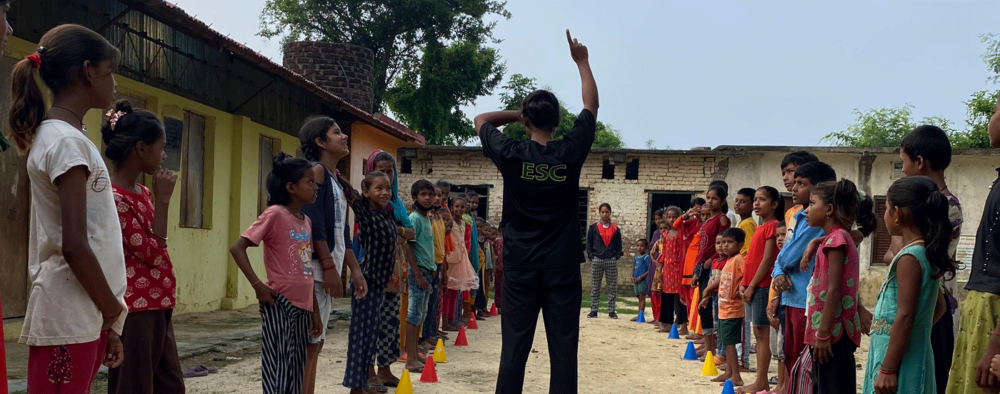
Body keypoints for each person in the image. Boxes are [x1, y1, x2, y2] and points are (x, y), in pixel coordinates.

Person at [475, 29, 598, 394]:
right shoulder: (569, 151)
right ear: (557, 121)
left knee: (514, 347)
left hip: (520, 264)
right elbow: (590, 106)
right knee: (564, 348)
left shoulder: (511, 153)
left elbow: (481, 119)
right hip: (561, 264)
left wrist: (520, 113)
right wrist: (583, 62)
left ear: (526, 122)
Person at [10, 24, 128, 393]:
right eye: (110, 73)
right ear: (89, 71)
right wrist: (112, 310)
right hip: (71, 311)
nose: (114, 83)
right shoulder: (65, 143)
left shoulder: (67, 139)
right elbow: (75, 244)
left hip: (83, 310)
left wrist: (108, 320)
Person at [103, 100, 184, 394]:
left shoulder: (143, 192)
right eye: (160, 148)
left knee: (170, 385)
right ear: (140, 149)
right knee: (134, 385)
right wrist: (163, 203)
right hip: (135, 307)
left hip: (160, 301)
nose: (163, 156)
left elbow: (156, 245)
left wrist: (156, 200)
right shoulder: (114, 199)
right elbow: (151, 252)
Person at [873, 126, 960, 394]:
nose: (902, 170)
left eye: (903, 162)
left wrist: (889, 365)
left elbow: (906, 310)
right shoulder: (924, 246)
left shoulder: (913, 253)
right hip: (915, 329)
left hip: (907, 337)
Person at [230, 153, 323, 394]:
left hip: (303, 307)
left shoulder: (306, 221)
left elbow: (307, 269)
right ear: (291, 187)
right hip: (280, 303)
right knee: (278, 369)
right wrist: (257, 285)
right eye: (310, 182)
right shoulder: (274, 214)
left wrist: (315, 311)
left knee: (296, 369)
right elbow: (238, 247)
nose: (316, 187)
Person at [297, 116, 367, 394]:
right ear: (320, 141)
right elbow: (315, 226)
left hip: (326, 271)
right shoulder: (317, 173)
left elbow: (343, 233)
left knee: (317, 343)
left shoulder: (335, 180)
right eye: (337, 132)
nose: (344, 137)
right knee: (310, 344)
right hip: (314, 273)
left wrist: (355, 270)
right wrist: (328, 268)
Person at [800, 179, 875, 394]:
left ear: (829, 210)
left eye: (812, 203)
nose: (807, 209)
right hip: (835, 332)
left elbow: (834, 289)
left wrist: (823, 334)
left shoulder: (836, 241)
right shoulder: (837, 238)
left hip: (832, 333)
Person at [336, 171, 399, 394]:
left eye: (388, 188)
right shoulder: (365, 212)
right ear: (366, 191)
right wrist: (336, 174)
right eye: (378, 188)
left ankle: (363, 382)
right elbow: (350, 194)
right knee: (359, 337)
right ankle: (356, 387)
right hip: (367, 283)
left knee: (370, 338)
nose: (385, 192)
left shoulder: (387, 214)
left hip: (379, 285)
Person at [772, 161, 835, 373]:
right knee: (790, 355)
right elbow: (782, 256)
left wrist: (780, 266)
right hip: (791, 295)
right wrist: (778, 271)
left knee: (800, 360)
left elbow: (788, 256)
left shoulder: (814, 221)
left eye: (802, 183)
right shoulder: (799, 215)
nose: (794, 187)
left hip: (804, 300)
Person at [363, 150, 416, 388]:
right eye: (380, 171)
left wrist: (399, 231)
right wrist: (399, 231)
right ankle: (368, 371)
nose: (386, 177)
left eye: (389, 171)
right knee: (370, 322)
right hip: (372, 270)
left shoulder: (396, 203)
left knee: (390, 322)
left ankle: (385, 369)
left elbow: (410, 232)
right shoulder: (365, 204)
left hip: (396, 269)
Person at [736, 186, 784, 394]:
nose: (756, 203)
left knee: (762, 333)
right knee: (757, 332)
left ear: (774, 204)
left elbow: (766, 261)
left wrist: (753, 285)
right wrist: (744, 282)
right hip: (753, 285)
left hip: (763, 286)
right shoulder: (759, 227)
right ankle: (760, 380)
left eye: (761, 200)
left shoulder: (772, 227)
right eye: (755, 199)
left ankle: (761, 381)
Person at [700, 228, 747, 387]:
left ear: (740, 245)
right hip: (723, 308)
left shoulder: (739, 259)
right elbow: (720, 281)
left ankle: (736, 376)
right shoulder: (728, 261)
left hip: (733, 308)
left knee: (731, 343)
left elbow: (746, 276)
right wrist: (707, 292)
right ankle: (728, 372)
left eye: (730, 242)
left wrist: (741, 288)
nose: (725, 245)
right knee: (726, 341)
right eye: (723, 242)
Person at [404, 180, 437, 373]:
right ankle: (410, 359)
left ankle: (415, 354)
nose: (427, 198)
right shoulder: (415, 217)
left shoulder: (427, 218)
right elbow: (409, 246)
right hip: (419, 273)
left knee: (421, 314)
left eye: (430, 195)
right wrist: (417, 274)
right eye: (423, 194)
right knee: (414, 314)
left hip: (427, 273)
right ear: (415, 197)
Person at [695, 185, 732, 358]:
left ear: (722, 201)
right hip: (702, 266)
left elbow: (725, 244)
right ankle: (707, 345)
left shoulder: (722, 219)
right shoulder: (708, 220)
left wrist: (712, 260)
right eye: (708, 198)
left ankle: (712, 349)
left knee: (708, 306)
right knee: (703, 307)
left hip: (713, 268)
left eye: (714, 198)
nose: (710, 201)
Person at [587, 203, 623, 318]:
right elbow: (589, 243)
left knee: (612, 286)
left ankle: (611, 311)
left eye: (606, 212)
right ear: (599, 213)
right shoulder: (593, 228)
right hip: (597, 259)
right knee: (595, 286)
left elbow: (619, 245)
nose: (604, 214)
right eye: (602, 212)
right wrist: (591, 256)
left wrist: (616, 256)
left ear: (610, 213)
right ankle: (593, 310)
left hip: (611, 260)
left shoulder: (616, 229)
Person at [658, 208, 688, 334]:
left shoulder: (682, 233)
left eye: (674, 217)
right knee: (667, 297)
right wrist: (661, 270)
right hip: (668, 269)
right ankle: (668, 323)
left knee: (679, 298)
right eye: (669, 217)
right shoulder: (665, 234)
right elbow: (663, 253)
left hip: (679, 268)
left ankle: (683, 325)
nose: (671, 219)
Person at [632, 239, 652, 321]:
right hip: (636, 280)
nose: (639, 248)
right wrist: (631, 276)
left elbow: (649, 269)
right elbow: (633, 268)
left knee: (642, 297)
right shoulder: (636, 258)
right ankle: (638, 314)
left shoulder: (646, 257)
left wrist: (641, 277)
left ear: (646, 247)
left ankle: (641, 314)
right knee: (638, 298)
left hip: (642, 281)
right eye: (638, 246)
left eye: (642, 246)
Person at [734, 188, 757, 257]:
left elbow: (750, 250)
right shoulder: (743, 222)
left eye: (743, 202)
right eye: (736, 201)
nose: (737, 204)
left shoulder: (747, 224)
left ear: (753, 205)